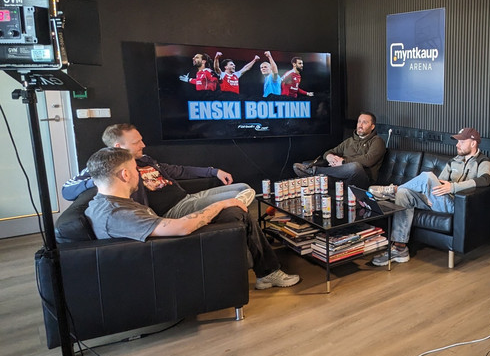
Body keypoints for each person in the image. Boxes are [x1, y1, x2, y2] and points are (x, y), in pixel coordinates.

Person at [84, 147, 300, 289]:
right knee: (236, 211)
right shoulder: (117, 214)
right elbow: (182, 228)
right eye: (135, 170)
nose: (138, 174)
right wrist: (221, 204)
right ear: (125, 175)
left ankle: (265, 270)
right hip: (173, 257)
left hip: (166, 246)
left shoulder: (107, 203)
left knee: (236, 211)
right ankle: (268, 270)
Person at [62, 124, 255, 213]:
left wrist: (213, 171)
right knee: (239, 196)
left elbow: (178, 170)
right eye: (137, 142)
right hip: (174, 210)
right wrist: (99, 179)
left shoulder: (145, 159)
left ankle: (235, 208)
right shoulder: (104, 167)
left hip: (187, 197)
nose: (143, 145)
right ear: (118, 147)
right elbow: (66, 190)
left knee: (244, 188)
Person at [370, 127, 490, 266]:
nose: (457, 145)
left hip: (456, 204)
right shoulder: (454, 161)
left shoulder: (483, 162)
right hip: (439, 200)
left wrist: (453, 187)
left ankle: (394, 189)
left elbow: (485, 180)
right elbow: (440, 182)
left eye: (461, 142)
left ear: (473, 143)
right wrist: (429, 193)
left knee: (427, 176)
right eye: (457, 142)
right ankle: (400, 249)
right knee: (404, 194)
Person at [293, 112, 385, 188]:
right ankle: (314, 177)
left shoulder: (377, 141)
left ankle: (314, 171)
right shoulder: (349, 141)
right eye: (359, 122)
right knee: (323, 178)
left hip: (363, 180)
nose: (360, 125)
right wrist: (330, 157)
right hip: (342, 178)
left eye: (364, 122)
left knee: (355, 167)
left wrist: (343, 162)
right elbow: (328, 152)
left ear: (372, 127)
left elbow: (368, 160)